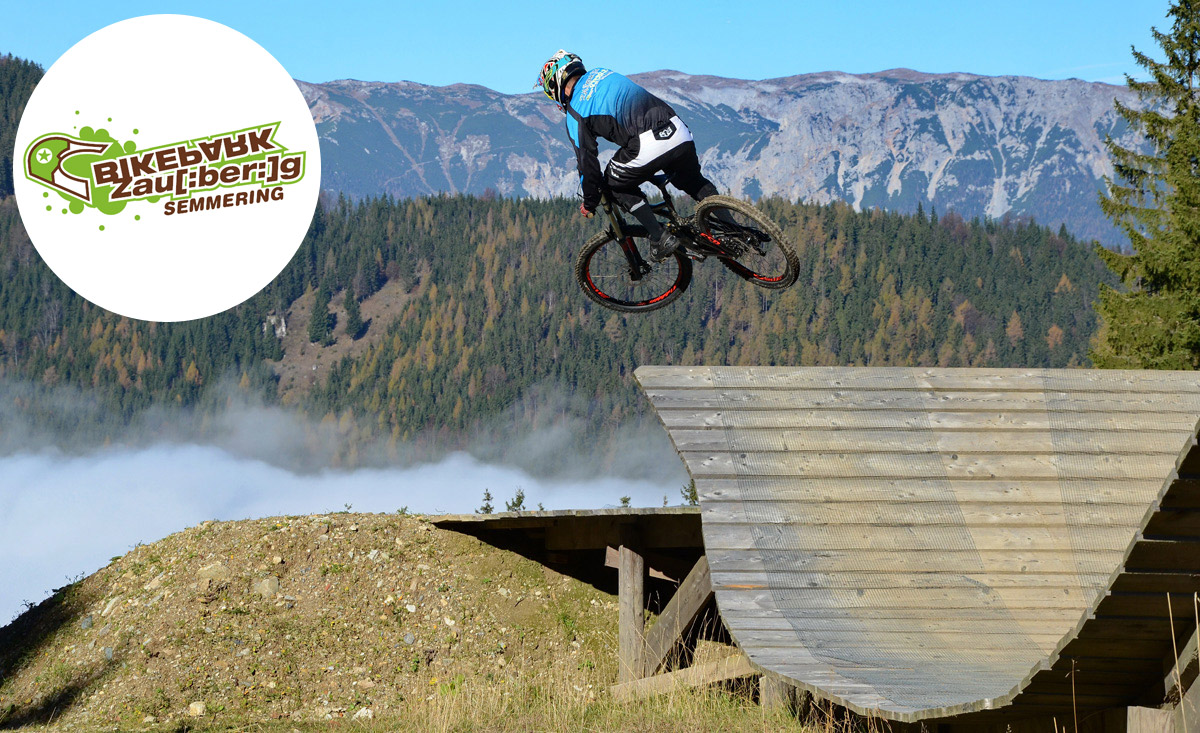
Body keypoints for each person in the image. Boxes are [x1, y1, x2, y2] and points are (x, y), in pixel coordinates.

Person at [536, 50, 725, 260]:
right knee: (693, 181)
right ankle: (735, 231)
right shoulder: (602, 73)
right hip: (678, 129)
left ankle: (660, 236)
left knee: (612, 184)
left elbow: (587, 164)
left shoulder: (574, 112)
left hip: (648, 142)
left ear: (556, 86)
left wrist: (590, 201)